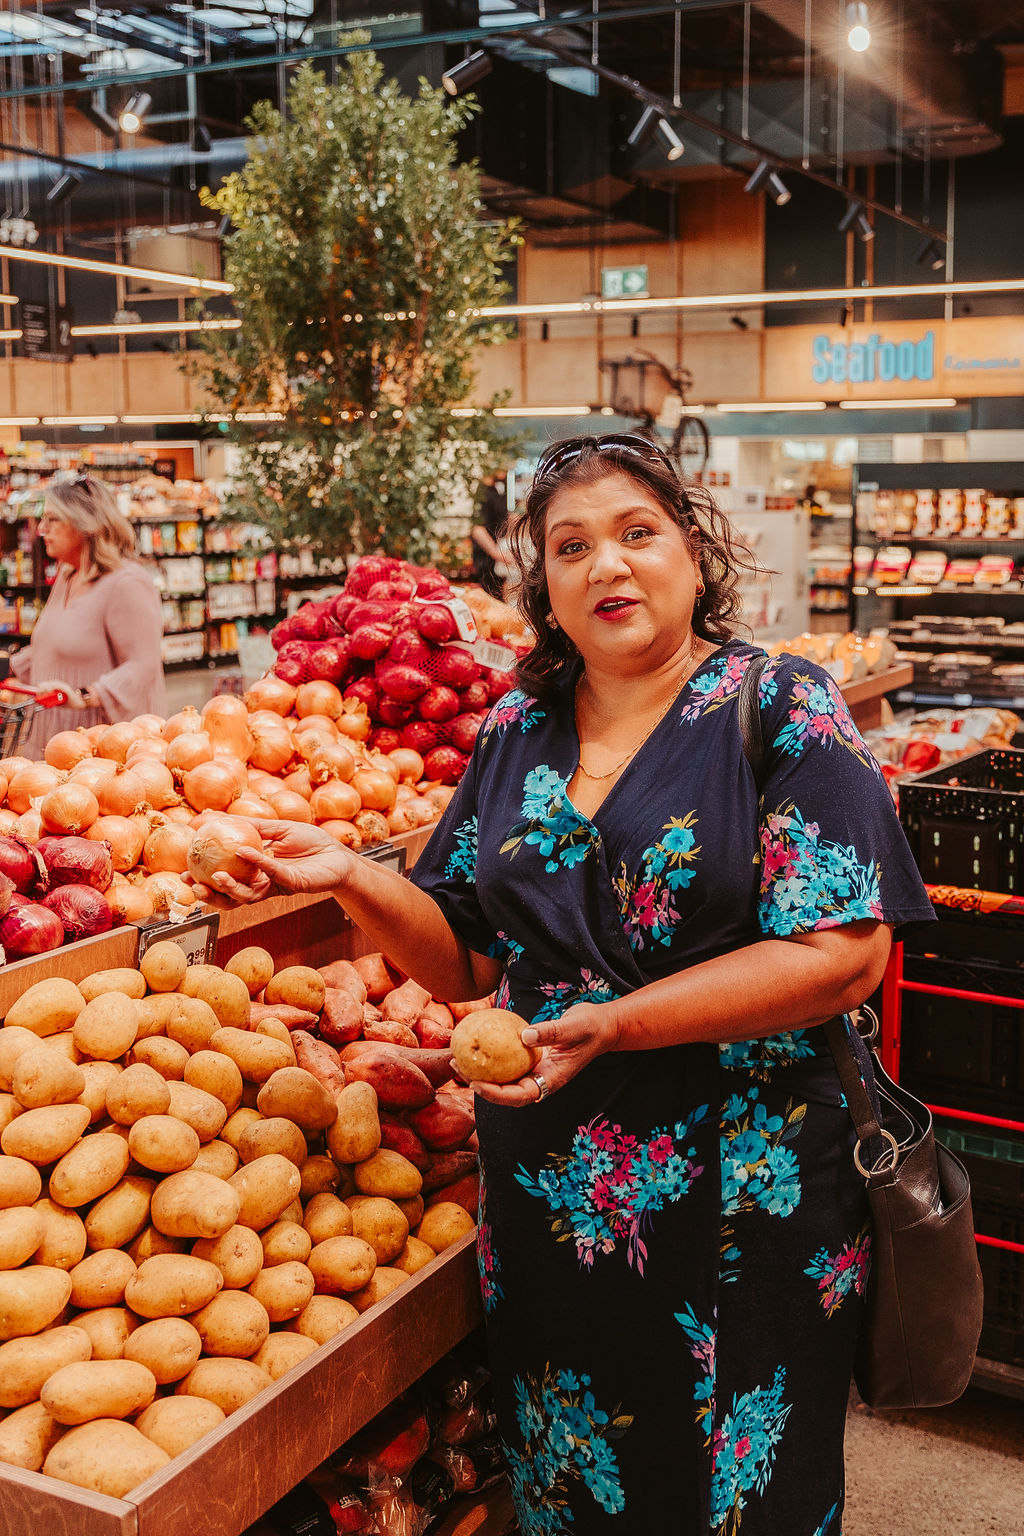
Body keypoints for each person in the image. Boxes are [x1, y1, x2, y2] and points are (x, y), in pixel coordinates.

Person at [201, 433, 934, 1535]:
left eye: (638, 534)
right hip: (552, 1188)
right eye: (571, 546)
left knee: (734, 1487)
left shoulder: (778, 705)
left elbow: (842, 954)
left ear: (694, 554)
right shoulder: (517, 727)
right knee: (570, 1467)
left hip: (743, 1181)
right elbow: (465, 953)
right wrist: (352, 875)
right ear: (541, 584)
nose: (607, 565)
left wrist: (618, 1023)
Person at [7, 472, 166, 756]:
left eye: (53, 519)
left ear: (86, 524)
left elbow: (143, 666)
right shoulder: (68, 575)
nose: (42, 529)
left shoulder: (126, 583)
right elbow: (54, 646)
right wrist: (8, 667)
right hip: (52, 735)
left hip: (98, 748)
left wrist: (84, 696)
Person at [471, 473, 509, 598]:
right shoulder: (482, 491)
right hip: (486, 563)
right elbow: (477, 529)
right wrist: (496, 553)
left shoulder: (499, 488)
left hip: (498, 565)